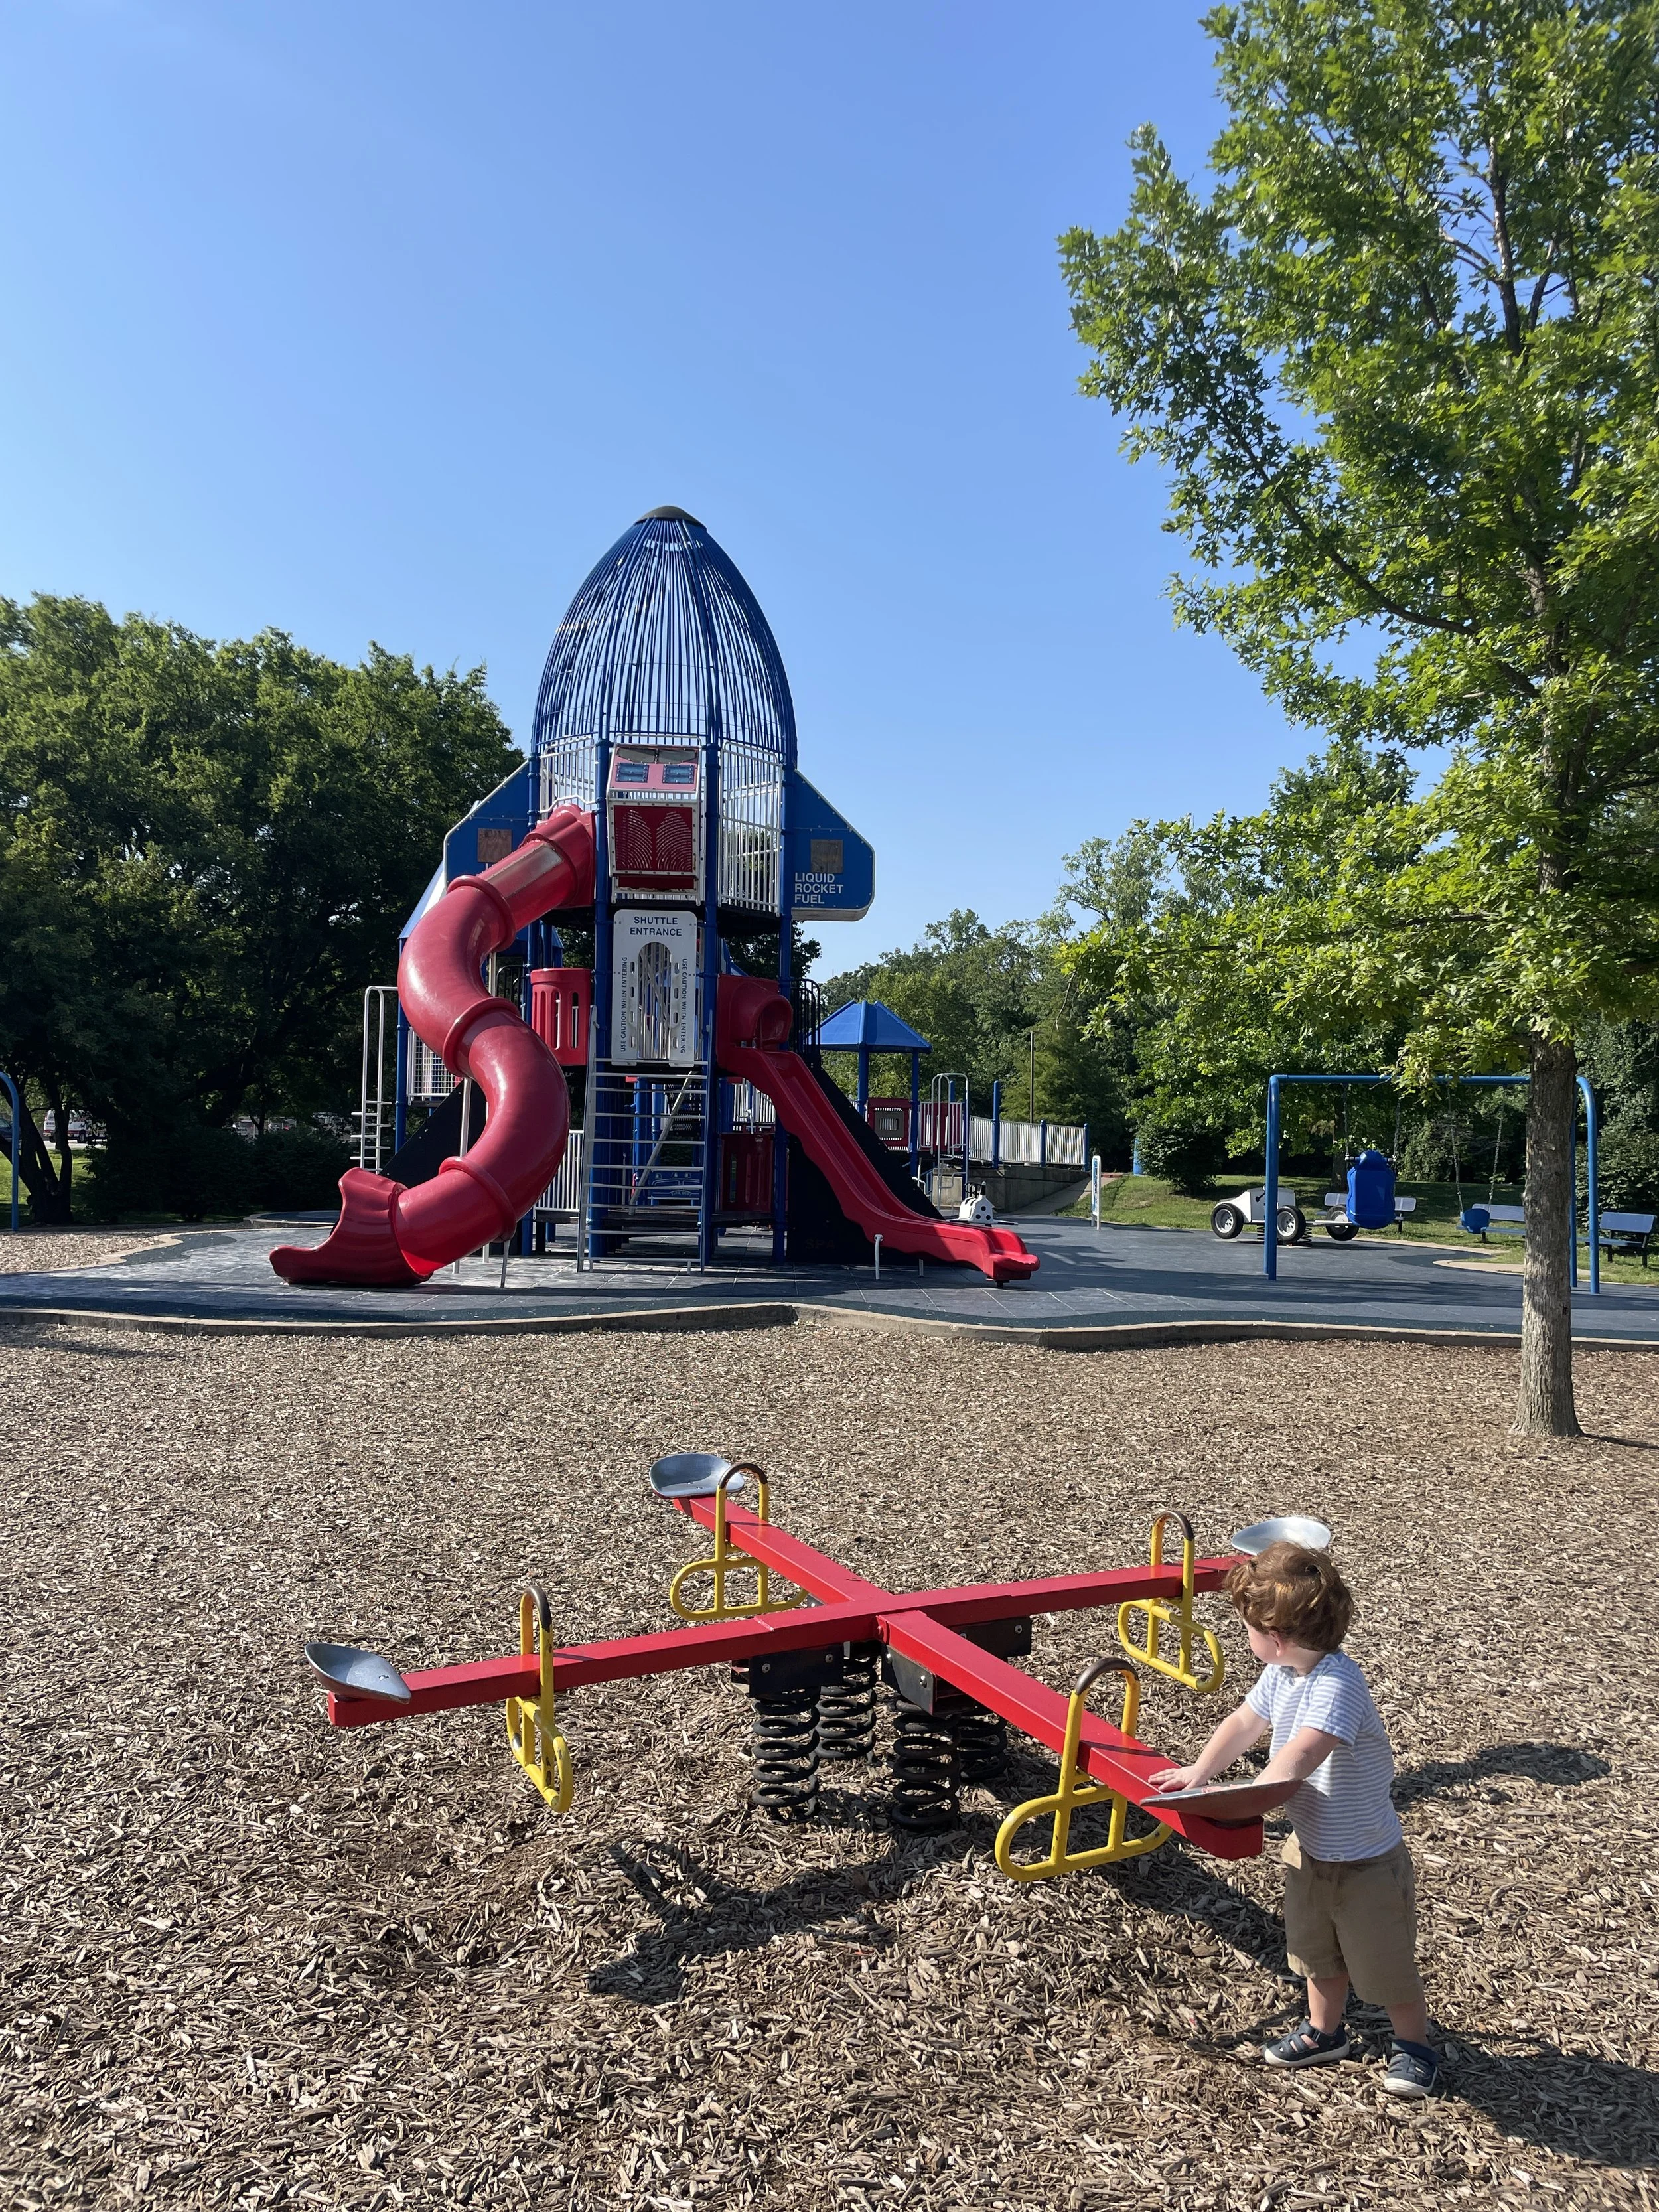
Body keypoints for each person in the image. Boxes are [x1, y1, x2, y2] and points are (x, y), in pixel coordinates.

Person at [1150, 1541, 1436, 2099]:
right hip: (1312, 1849)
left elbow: (1300, 1757)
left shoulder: (1337, 1685)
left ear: (1274, 1636)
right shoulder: (1284, 1673)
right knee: (1316, 1952)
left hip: (1366, 1860)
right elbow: (1243, 1722)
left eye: (1248, 1630)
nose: (1249, 1640)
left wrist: (1248, 1797)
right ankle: (1324, 2032)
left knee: (1386, 1963)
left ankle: (1415, 2046)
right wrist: (1200, 1773)